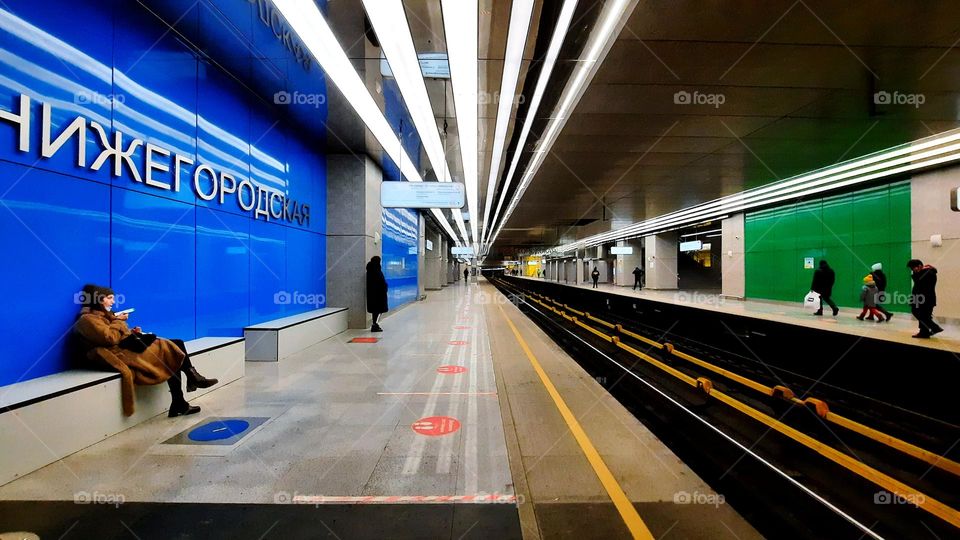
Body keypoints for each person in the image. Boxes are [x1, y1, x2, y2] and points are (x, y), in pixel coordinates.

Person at [72, 284, 217, 418]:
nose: (112, 302)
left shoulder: (106, 316)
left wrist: (132, 332)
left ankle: (183, 394)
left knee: (173, 348)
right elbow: (110, 338)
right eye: (109, 298)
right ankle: (190, 384)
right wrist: (119, 321)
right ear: (99, 300)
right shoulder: (87, 320)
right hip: (118, 355)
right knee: (172, 349)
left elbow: (115, 335)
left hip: (124, 349)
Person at [907, 259, 943, 338]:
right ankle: (924, 332)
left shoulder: (927, 273)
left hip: (924, 298)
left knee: (918, 313)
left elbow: (918, 282)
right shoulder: (926, 272)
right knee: (925, 315)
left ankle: (935, 328)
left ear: (919, 266)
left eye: (913, 268)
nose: (912, 270)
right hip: (924, 298)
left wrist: (918, 273)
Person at [366, 256, 388, 332]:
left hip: (372, 295)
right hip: (379, 295)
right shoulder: (376, 271)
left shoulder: (369, 271)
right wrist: (385, 288)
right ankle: (375, 324)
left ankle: (375, 323)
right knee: (379, 310)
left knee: (375, 310)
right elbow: (381, 282)